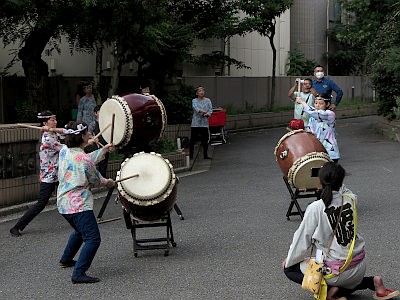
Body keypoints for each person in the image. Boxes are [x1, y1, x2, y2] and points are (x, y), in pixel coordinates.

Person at [282, 162, 399, 300]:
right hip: (359, 267)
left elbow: (301, 240)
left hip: (337, 273)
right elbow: (342, 189)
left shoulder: (316, 208)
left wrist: (290, 260)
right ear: (341, 180)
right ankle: (374, 281)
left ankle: (330, 292)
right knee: (346, 278)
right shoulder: (351, 198)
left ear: (320, 181)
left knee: (289, 269)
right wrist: (333, 173)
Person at [57, 121, 115, 284]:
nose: (90, 135)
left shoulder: (64, 151)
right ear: (82, 136)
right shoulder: (83, 159)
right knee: (93, 238)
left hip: (63, 203)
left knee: (79, 231)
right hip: (78, 205)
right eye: (87, 133)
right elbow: (96, 180)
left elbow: (84, 158)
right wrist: (108, 182)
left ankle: (66, 259)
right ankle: (78, 273)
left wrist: (103, 150)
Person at [10, 111, 67, 237]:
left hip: (58, 173)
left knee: (73, 192)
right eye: (52, 120)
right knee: (41, 204)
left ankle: (81, 221)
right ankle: (16, 227)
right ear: (45, 123)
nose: (55, 122)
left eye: (55, 119)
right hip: (49, 176)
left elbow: (67, 132)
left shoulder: (53, 133)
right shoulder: (47, 138)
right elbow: (65, 149)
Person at [296, 93, 340, 162]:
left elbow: (315, 113)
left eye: (321, 103)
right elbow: (310, 132)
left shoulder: (330, 114)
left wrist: (302, 102)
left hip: (330, 151)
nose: (317, 105)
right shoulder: (312, 118)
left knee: (330, 171)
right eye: (316, 103)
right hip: (317, 150)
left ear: (327, 104)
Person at [189, 85, 213, 160]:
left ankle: (205, 155)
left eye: (202, 90)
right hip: (195, 123)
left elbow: (210, 109)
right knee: (193, 139)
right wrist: (203, 112)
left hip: (204, 123)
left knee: (205, 139)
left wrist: (207, 114)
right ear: (197, 93)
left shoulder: (208, 100)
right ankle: (191, 156)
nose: (202, 92)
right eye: (200, 91)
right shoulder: (194, 100)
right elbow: (196, 108)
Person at [89, 105, 109, 177]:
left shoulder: (106, 123)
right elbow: (89, 134)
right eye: (99, 111)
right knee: (97, 163)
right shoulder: (93, 124)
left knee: (104, 163)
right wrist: (94, 137)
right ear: (95, 113)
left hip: (105, 145)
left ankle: (103, 180)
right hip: (97, 146)